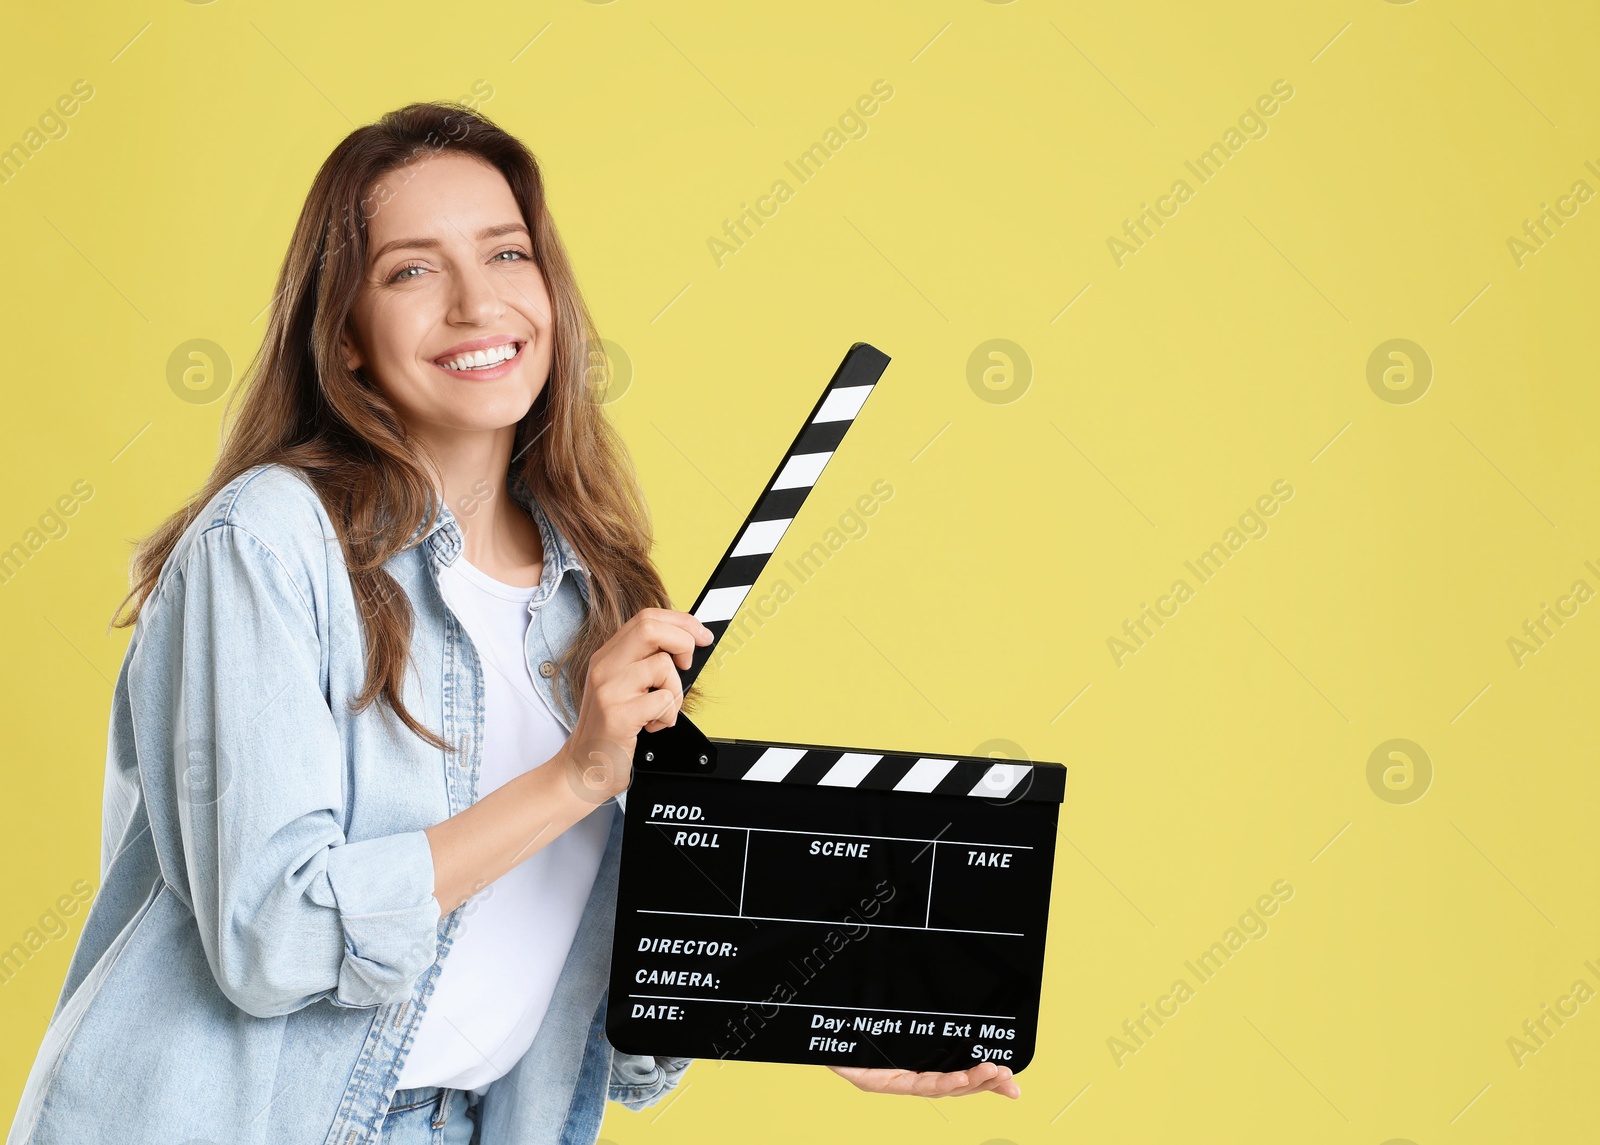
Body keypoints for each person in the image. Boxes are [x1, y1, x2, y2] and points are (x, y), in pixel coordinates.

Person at [5, 101, 1019, 1145]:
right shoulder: (267, 544)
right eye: (411, 270)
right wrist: (573, 774)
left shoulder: (596, 593)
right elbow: (273, 937)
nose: (476, 302)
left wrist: (831, 1008)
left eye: (506, 253)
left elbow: (608, 1023)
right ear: (344, 338)